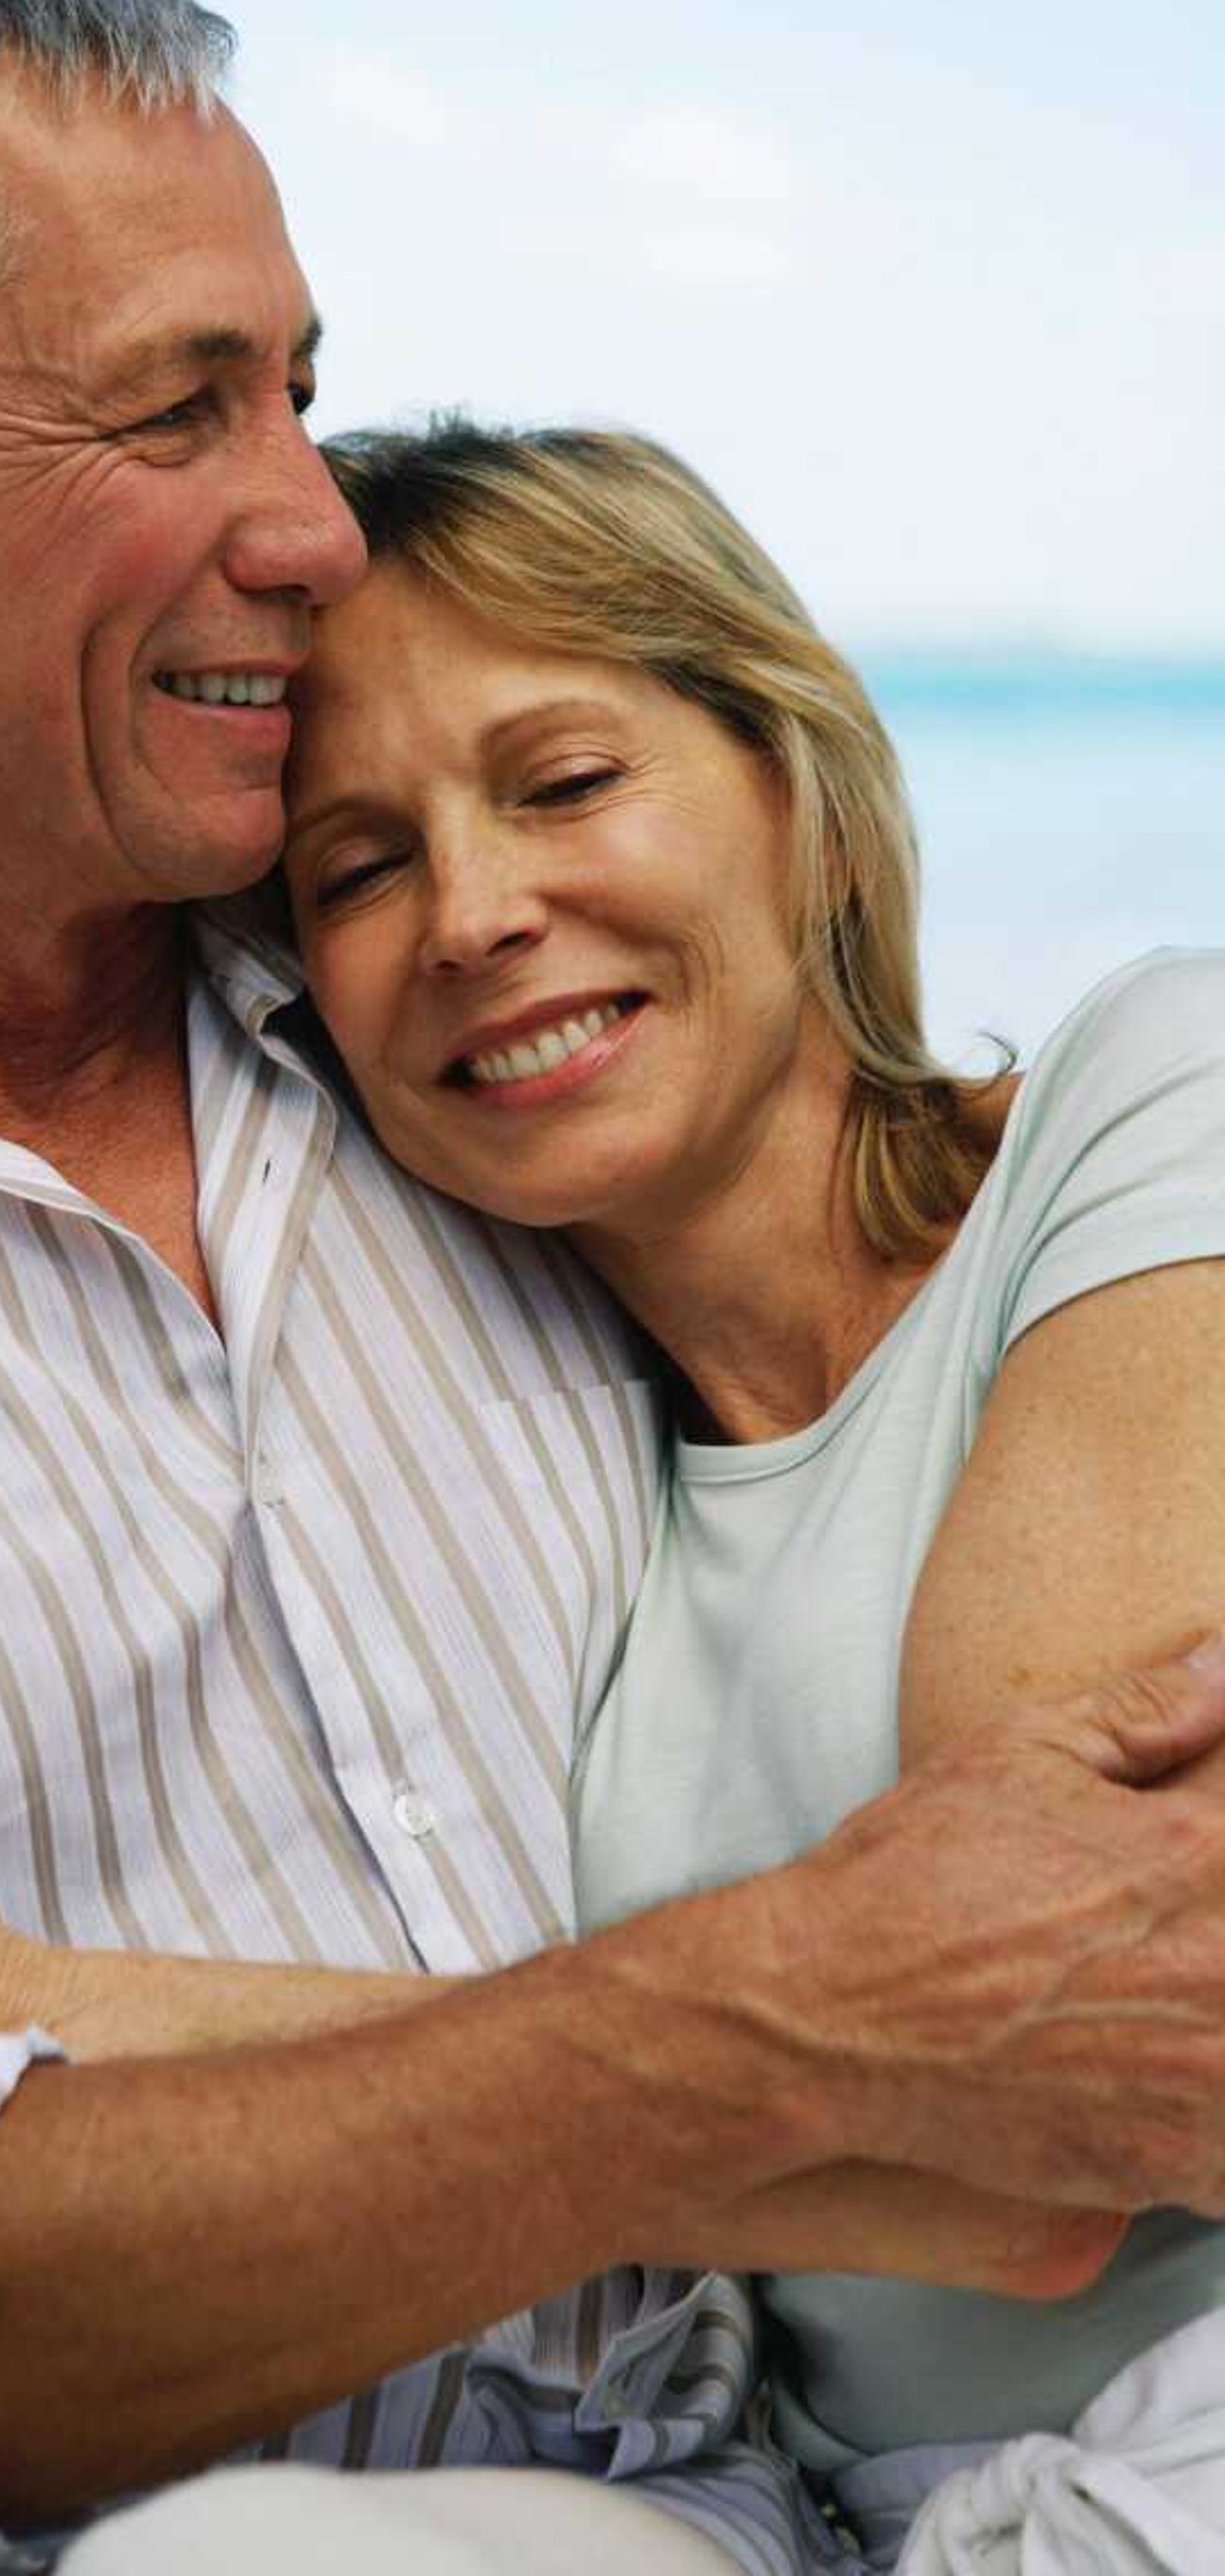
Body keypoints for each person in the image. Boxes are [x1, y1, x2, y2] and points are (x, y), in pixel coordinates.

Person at [0, 0, 1225, 2576]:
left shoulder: (475, 1087)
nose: (307, 516)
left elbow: (1056, 2019)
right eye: (178, 409)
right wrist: (774, 2036)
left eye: (296, 381)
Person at [276, 419, 1225, 2564]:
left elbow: (1056, 2075)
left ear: (789, 778)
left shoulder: (1154, 1100)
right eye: (353, 869)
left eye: (564, 782)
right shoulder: (543, 1520)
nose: (476, 915)